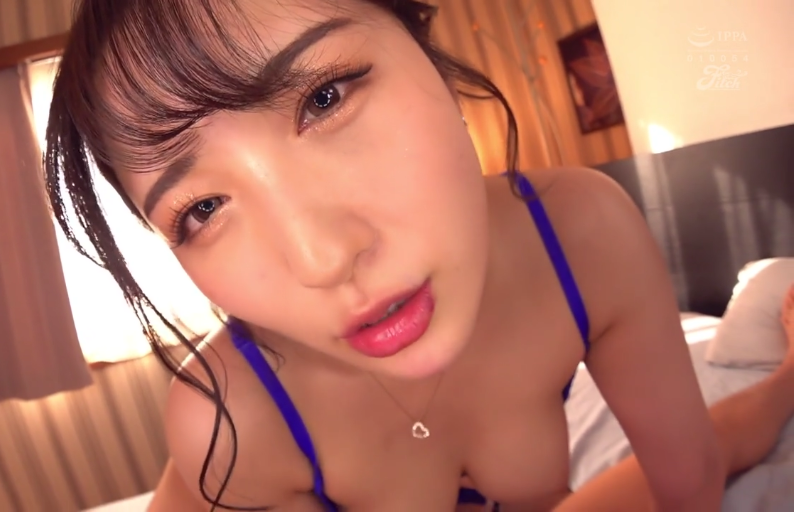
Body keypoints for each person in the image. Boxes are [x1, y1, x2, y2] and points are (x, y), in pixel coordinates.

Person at [42, 0, 768, 509]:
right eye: (202, 209)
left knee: (734, 433)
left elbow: (689, 481)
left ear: (426, 49)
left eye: (325, 98)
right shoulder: (231, 424)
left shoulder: (581, 235)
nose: (323, 259)